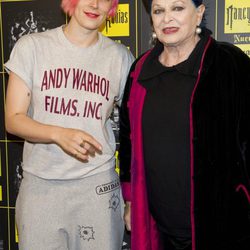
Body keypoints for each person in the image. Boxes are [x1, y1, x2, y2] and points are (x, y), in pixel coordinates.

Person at [119, 0, 250, 250]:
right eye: (159, 10)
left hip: (221, 226)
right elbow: (128, 140)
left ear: (199, 13)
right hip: (159, 228)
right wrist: (131, 202)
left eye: (177, 8)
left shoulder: (228, 64)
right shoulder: (140, 69)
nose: (167, 18)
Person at [4, 0, 134, 249]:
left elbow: (134, 129)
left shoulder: (120, 58)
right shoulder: (32, 47)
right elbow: (13, 119)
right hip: (41, 188)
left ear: (112, 7)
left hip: (97, 187)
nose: (95, 4)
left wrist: (134, 199)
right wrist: (58, 134)